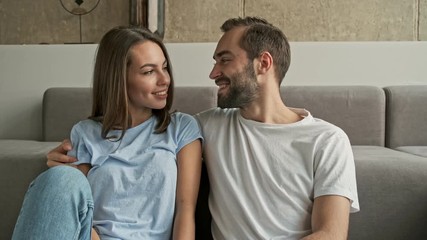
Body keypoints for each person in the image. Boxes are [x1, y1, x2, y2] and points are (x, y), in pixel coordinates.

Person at [46, 17, 359, 240]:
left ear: (263, 64)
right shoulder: (206, 126)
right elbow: (133, 138)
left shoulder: (327, 141)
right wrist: (62, 173)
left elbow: (331, 234)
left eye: (224, 60)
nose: (212, 73)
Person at [12, 26, 203, 240]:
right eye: (149, 71)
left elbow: (185, 210)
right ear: (118, 78)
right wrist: (59, 178)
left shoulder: (181, 128)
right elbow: (77, 210)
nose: (164, 79)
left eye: (165, 68)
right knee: (61, 178)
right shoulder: (85, 132)